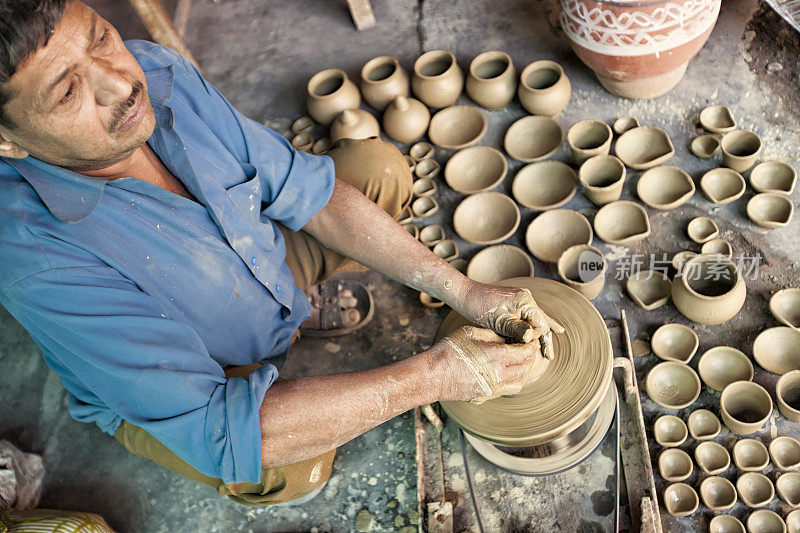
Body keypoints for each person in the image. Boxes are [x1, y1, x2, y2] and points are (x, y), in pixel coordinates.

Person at [0, 0, 564, 506]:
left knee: (379, 174)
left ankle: (287, 326)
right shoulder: (33, 256)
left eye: (100, 37)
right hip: (193, 371)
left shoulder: (154, 71)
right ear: (8, 141)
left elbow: (312, 197)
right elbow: (222, 428)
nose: (119, 83)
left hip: (257, 267)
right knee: (291, 464)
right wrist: (438, 376)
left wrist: (464, 291)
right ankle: (271, 365)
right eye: (68, 91)